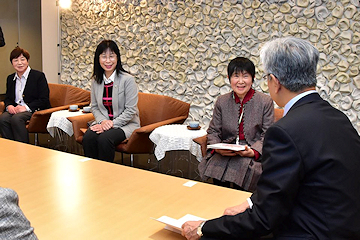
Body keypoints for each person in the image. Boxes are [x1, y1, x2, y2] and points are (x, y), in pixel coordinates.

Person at [182, 37, 360, 239]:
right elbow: (289, 184)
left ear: (275, 82)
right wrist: (249, 202)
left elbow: (264, 218)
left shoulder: (285, 130)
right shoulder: (338, 117)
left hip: (310, 231)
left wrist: (204, 227)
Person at [198, 57, 274, 192]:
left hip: (250, 153)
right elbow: (213, 131)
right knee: (216, 165)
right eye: (236, 76)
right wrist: (217, 148)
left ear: (253, 78)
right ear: (229, 78)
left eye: (245, 76)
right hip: (225, 152)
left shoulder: (265, 101)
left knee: (243, 168)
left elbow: (268, 134)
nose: (240, 81)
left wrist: (253, 152)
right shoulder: (222, 101)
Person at [82, 40, 140, 162]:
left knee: (105, 139)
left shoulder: (128, 80)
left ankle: (106, 176)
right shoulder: (95, 80)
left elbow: (131, 110)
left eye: (111, 56)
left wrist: (111, 124)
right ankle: (92, 173)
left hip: (125, 124)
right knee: (88, 137)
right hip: (104, 123)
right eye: (104, 56)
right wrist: (103, 122)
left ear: (117, 58)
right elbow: (95, 107)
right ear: (98, 59)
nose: (108, 61)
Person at [0, 47, 50, 143]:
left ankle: (23, 149)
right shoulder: (10, 78)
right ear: (12, 63)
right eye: (16, 60)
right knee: (3, 118)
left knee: (16, 119)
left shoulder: (38, 76)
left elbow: (44, 99)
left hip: (34, 110)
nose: (19, 63)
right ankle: (11, 147)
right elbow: (8, 98)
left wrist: (26, 107)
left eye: (22, 59)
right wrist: (9, 106)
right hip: (16, 109)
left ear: (28, 61)